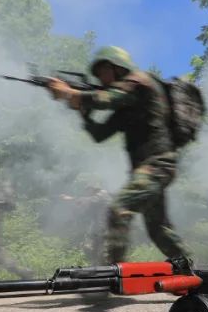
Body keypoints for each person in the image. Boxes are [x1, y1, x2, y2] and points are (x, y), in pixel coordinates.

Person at [46, 46, 190, 263]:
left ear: (116, 68)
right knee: (159, 230)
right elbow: (100, 134)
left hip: (157, 164)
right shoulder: (127, 107)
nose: (100, 79)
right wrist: (83, 112)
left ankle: (112, 272)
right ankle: (192, 272)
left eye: (102, 72)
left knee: (118, 209)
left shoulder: (140, 81)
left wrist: (70, 93)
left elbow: (106, 99)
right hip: (151, 168)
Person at [60, 184, 111, 265]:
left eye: (88, 190)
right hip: (99, 228)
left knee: (104, 251)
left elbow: (90, 200)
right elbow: (84, 210)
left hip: (105, 228)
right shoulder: (97, 197)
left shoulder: (102, 194)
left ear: (92, 189)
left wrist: (72, 198)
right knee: (92, 249)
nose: (87, 193)